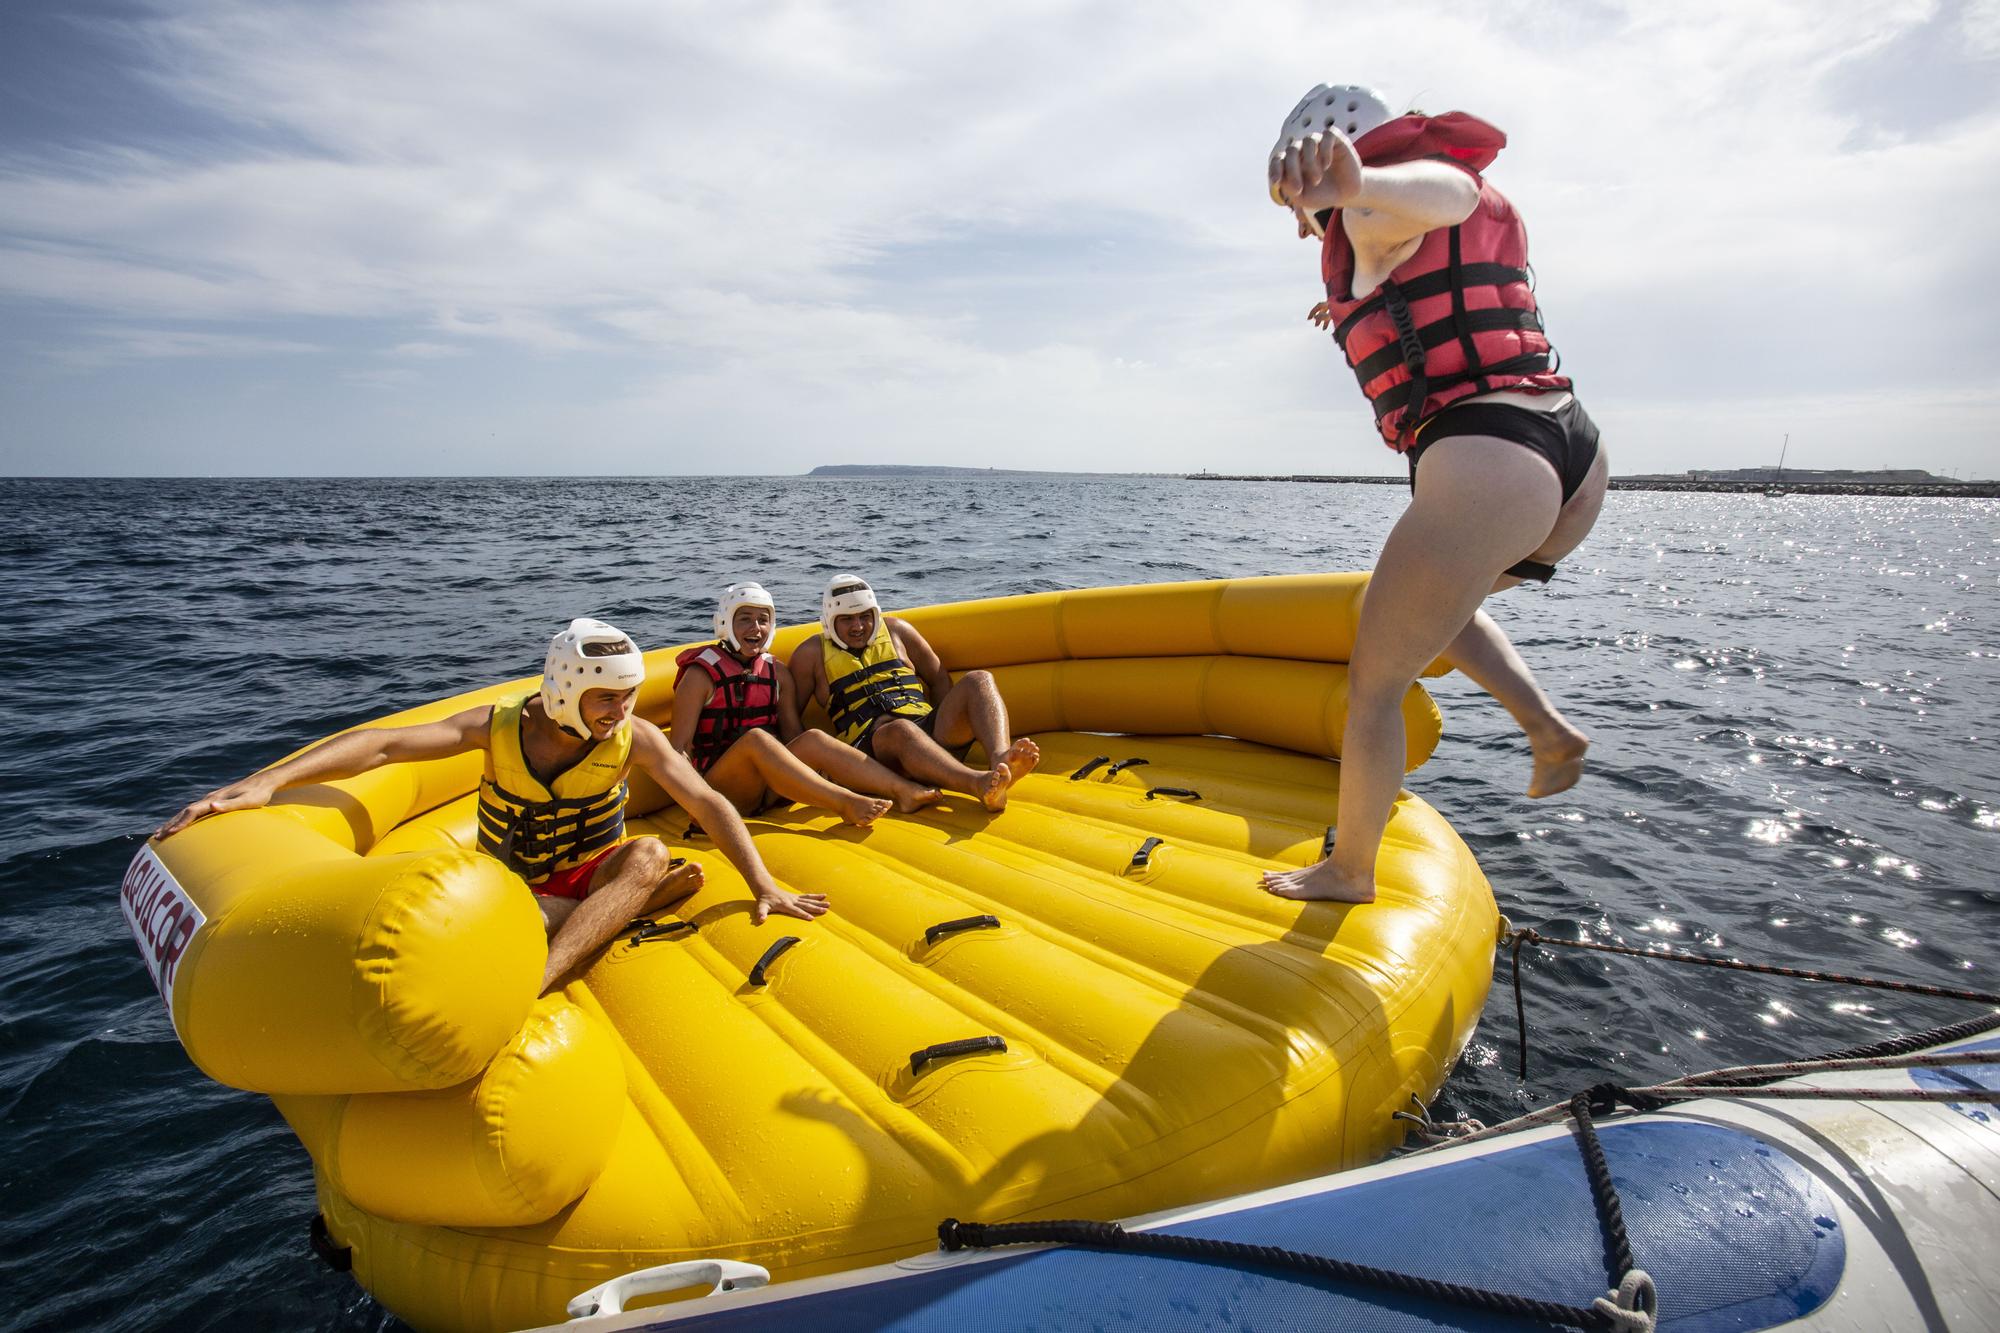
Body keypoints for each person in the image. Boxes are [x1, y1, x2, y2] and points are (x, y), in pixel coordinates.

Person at [1260, 85, 1603, 904]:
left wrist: (1357, 189)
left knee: (1374, 683)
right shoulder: (1387, 233)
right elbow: (1429, 242)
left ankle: (1349, 870)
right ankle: (1549, 730)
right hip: (1569, 465)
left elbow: (1449, 195)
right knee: (1448, 612)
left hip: (1491, 461)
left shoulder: (1386, 203)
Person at [154, 618, 829, 994]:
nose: (620, 710)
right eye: (606, 698)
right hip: (508, 885)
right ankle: (623, 905)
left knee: (649, 851)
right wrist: (269, 783)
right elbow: (385, 746)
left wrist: (763, 883)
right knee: (536, 899)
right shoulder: (500, 727)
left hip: (586, 871)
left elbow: (708, 801)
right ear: (566, 687)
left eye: (627, 696)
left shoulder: (635, 738)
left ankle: (543, 972)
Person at [670, 581, 940, 822]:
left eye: (763, 620)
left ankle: (902, 790)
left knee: (813, 738)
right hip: (722, 792)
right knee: (756, 739)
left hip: (769, 788)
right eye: (745, 620)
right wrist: (699, 805)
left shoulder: (777, 673)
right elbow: (679, 750)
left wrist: (819, 774)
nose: (756, 628)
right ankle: (844, 802)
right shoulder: (699, 676)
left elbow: (793, 738)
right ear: (725, 623)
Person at [787, 575, 1040, 811]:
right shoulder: (810, 655)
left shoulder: (898, 631)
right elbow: (789, 720)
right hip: (873, 757)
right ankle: (978, 784)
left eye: (865, 616)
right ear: (830, 621)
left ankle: (1000, 762)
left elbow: (939, 679)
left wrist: (935, 741)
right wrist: (820, 772)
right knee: (899, 730)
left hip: (925, 733)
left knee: (979, 680)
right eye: (847, 619)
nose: (859, 626)